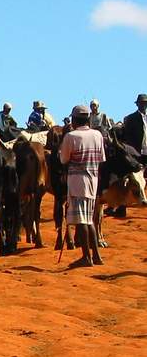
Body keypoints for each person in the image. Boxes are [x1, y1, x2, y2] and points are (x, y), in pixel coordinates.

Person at [59, 105, 106, 267]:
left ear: (74, 120)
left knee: (81, 221)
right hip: (93, 182)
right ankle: (97, 256)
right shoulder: (98, 135)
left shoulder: (71, 136)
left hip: (77, 183)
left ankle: (86, 257)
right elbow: (101, 159)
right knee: (89, 220)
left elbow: (63, 160)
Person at [122, 93, 147, 160]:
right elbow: (127, 135)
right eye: (141, 103)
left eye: (145, 103)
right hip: (137, 152)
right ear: (137, 104)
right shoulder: (131, 118)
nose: (143, 105)